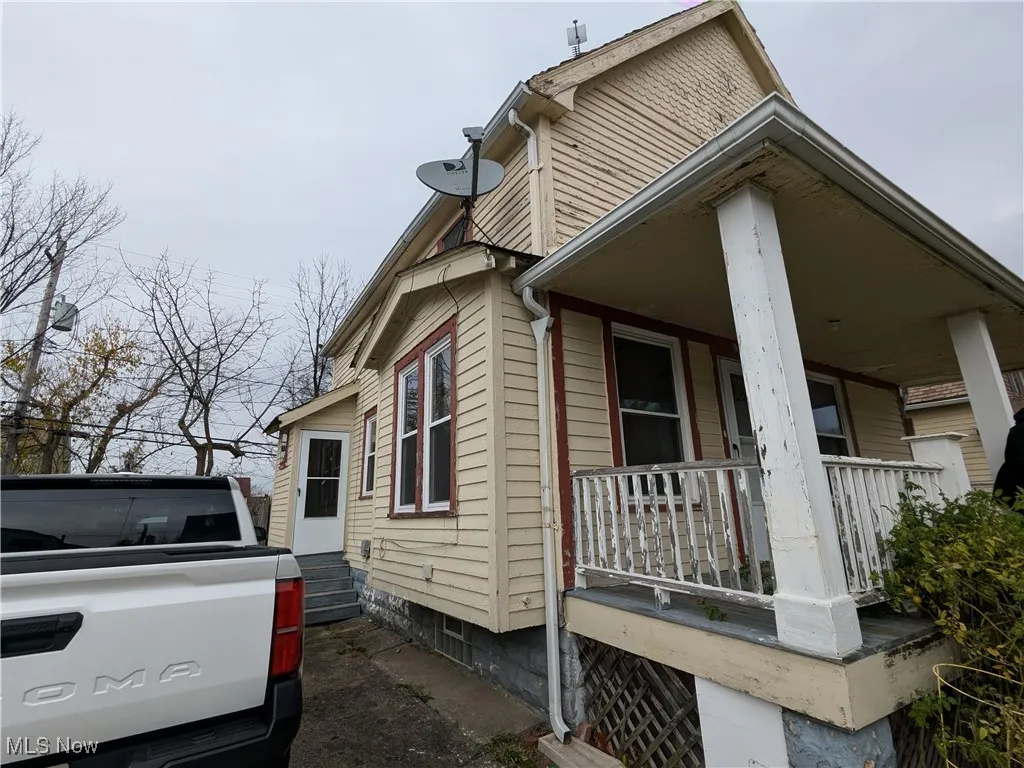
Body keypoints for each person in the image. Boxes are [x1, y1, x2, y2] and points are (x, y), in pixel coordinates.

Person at [993, 408, 1024, 508]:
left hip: (1009, 482)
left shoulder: (1015, 430)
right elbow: (1016, 458)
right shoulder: (1019, 431)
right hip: (1015, 483)